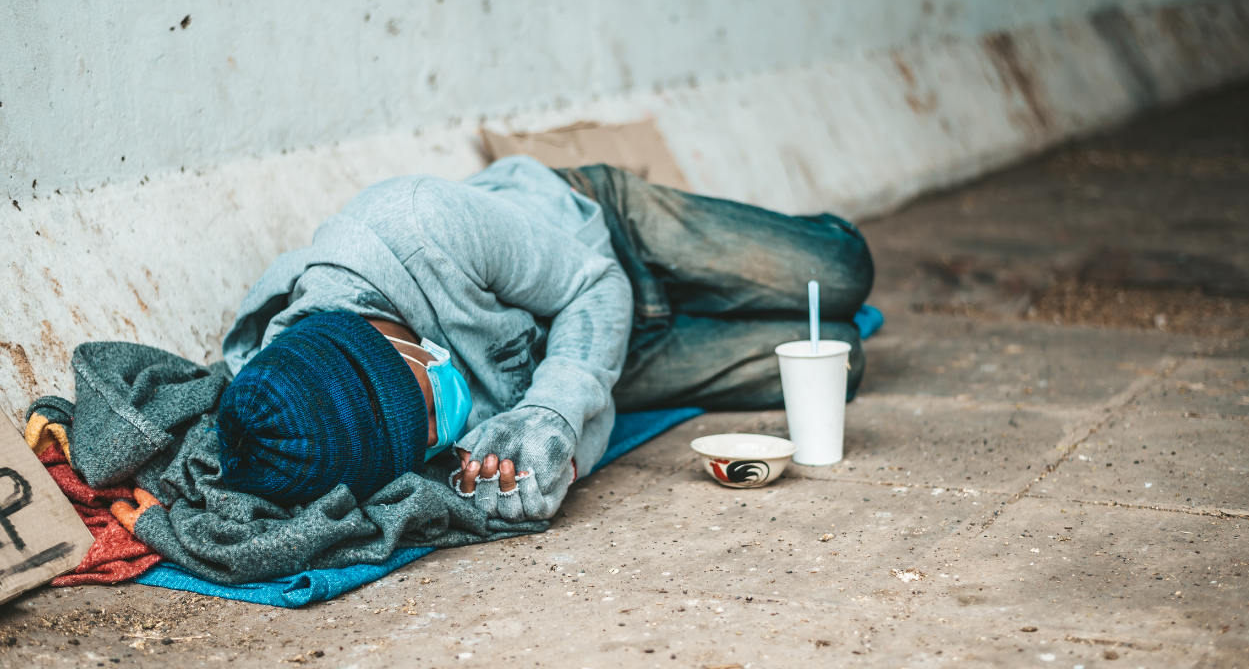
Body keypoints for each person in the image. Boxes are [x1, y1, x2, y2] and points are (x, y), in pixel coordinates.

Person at [216, 156, 873, 522]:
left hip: (603, 241)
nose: (438, 432)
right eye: (419, 442)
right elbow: (579, 406)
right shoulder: (311, 427)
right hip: (595, 355)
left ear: (387, 339)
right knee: (840, 357)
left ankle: (714, 273)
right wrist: (556, 463)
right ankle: (715, 296)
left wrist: (553, 410)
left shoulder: (419, 223)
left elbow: (597, 286)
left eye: (423, 407)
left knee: (842, 274)